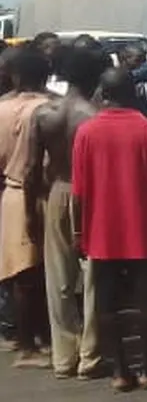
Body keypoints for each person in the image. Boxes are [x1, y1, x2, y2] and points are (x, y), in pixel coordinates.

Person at [73, 68, 147, 392]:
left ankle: (120, 372)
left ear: (101, 95)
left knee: (106, 303)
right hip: (145, 229)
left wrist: (79, 234)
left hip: (101, 231)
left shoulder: (86, 132)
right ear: (133, 93)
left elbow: (79, 192)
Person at [26, 47, 109, 379]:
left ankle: (64, 358)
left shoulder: (45, 114)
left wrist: (32, 210)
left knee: (58, 279)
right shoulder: (95, 117)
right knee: (94, 277)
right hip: (91, 193)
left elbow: (33, 168)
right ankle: (91, 356)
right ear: (94, 79)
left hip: (56, 190)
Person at [0, 47, 54, 368]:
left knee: (20, 274)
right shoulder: (51, 108)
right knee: (44, 273)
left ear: (14, 75)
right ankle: (36, 342)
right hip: (47, 194)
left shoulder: (2, 109)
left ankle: (26, 340)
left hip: (12, 193)